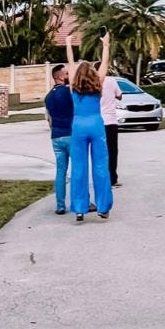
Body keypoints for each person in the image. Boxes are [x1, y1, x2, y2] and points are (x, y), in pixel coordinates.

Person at [66, 33, 113, 222]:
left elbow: (70, 63)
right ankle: (103, 207)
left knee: (78, 167)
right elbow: (105, 63)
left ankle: (79, 208)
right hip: (96, 124)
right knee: (101, 166)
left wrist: (69, 44)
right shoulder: (98, 83)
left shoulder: (72, 85)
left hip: (78, 126)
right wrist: (106, 45)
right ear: (93, 74)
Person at [44, 63, 74, 215]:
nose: (69, 76)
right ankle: (80, 201)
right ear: (61, 77)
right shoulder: (69, 92)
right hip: (71, 134)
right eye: (67, 74)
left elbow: (48, 119)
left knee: (61, 171)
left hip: (56, 136)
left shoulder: (48, 97)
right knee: (77, 169)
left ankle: (60, 205)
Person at [100, 71, 123, 187]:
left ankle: (101, 178)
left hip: (99, 121)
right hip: (111, 120)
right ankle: (113, 178)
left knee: (100, 152)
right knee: (112, 151)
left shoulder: (92, 82)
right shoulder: (111, 81)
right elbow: (120, 96)